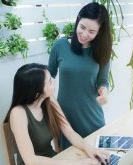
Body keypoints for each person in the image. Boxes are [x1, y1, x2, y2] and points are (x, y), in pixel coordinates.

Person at [4, 63, 110, 165]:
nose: (53, 81)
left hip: (54, 163)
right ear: (36, 92)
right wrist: (74, 164)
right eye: (49, 81)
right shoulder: (18, 113)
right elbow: (31, 161)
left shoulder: (50, 101)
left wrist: (89, 149)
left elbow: (69, 132)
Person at [48, 2, 112, 149]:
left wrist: (104, 92)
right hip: (66, 121)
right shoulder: (60, 46)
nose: (84, 34)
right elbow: (48, 77)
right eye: (82, 27)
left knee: (99, 164)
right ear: (77, 20)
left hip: (92, 118)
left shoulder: (102, 52)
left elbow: (103, 80)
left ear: (99, 32)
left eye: (91, 31)